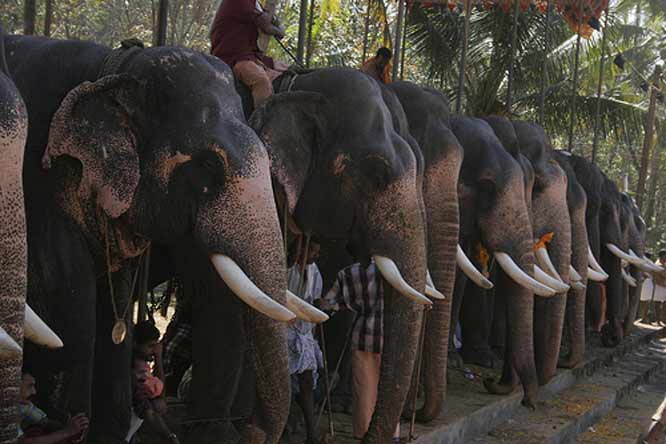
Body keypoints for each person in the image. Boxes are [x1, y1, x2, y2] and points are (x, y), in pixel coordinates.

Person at [318, 260, 401, 442]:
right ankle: (391, 434)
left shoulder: (350, 272)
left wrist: (322, 307)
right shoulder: (403, 269)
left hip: (363, 336)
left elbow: (329, 304)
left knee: (364, 389)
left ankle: (364, 433)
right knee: (390, 388)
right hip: (392, 338)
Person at [210, 0, 288, 108]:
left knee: (287, 69)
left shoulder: (255, 4)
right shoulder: (239, 2)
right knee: (261, 82)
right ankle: (262, 118)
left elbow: (272, 21)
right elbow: (266, 26)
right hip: (232, 57)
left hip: (251, 56)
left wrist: (273, 19)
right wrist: (274, 19)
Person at [287, 242, 324, 444]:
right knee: (283, 384)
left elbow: (314, 298)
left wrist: (321, 307)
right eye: (313, 251)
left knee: (307, 382)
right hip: (285, 332)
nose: (316, 255)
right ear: (301, 249)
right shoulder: (287, 268)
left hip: (304, 333)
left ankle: (312, 434)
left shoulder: (313, 270)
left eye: (317, 252)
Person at [18, 373, 89, 444]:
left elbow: (45, 422)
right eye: (29, 386)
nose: (34, 392)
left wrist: (72, 429)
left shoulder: (24, 405)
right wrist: (67, 432)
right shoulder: (12, 409)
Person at [130, 355, 180, 444]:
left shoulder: (140, 393)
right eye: (140, 372)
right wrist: (170, 436)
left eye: (147, 372)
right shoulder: (135, 392)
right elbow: (151, 415)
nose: (145, 378)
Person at [651, 251, 666, 326]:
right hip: (659, 286)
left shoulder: (664, 264)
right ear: (662, 256)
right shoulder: (657, 265)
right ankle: (658, 320)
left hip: (664, 286)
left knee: (664, 303)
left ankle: (664, 319)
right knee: (657, 303)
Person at [640, 252, 655, 322]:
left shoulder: (646, 262)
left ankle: (644, 317)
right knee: (646, 302)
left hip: (646, 283)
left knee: (644, 302)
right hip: (648, 283)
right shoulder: (651, 263)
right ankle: (644, 317)